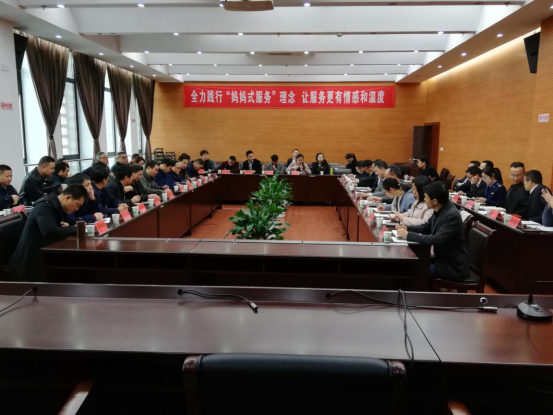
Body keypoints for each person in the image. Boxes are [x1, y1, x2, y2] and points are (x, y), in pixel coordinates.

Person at [8, 184, 88, 281]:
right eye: (77, 205)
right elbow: (49, 231)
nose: (77, 209)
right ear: (68, 197)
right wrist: (76, 229)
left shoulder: (54, 205)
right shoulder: (45, 207)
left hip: (42, 254)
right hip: (30, 261)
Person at [397, 181, 470, 282]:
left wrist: (408, 235)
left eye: (426, 197)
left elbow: (437, 239)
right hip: (441, 259)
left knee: (414, 271)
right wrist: (407, 228)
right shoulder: (441, 208)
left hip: (452, 265)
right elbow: (425, 227)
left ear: (435, 201)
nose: (424, 199)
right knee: (409, 265)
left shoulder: (451, 215)